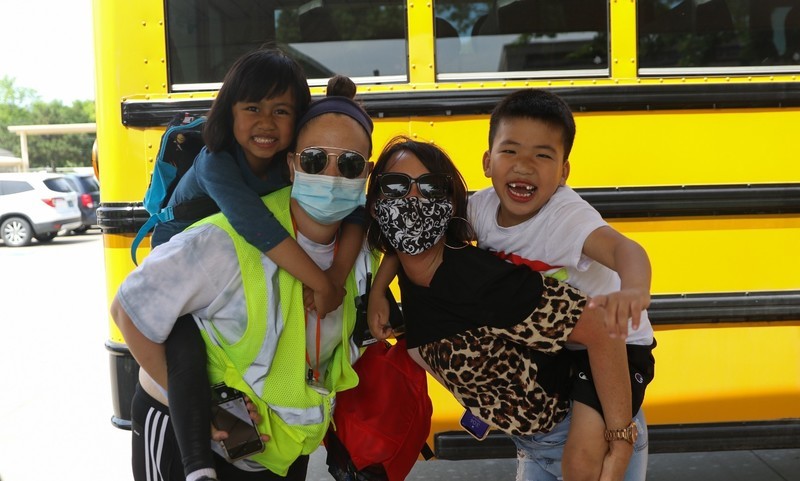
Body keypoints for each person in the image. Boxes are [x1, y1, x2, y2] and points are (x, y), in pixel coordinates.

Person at [111, 79, 376, 481]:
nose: (333, 176)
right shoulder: (224, 238)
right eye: (316, 160)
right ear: (292, 164)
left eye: (351, 165)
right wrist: (204, 410)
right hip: (190, 431)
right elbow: (128, 310)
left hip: (278, 453)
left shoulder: (361, 256)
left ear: (366, 176)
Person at [364, 136, 635, 481]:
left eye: (431, 187)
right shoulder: (410, 273)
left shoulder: (478, 280)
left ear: (450, 205)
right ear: (374, 205)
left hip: (584, 444)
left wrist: (620, 440)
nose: (413, 200)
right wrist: (377, 290)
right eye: (396, 185)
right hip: (533, 444)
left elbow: (601, 326)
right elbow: (402, 247)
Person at [470, 88, 656, 481]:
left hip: (615, 347)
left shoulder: (565, 216)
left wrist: (635, 289)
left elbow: (626, 249)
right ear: (488, 161)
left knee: (582, 456)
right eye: (510, 151)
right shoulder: (479, 209)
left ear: (564, 171)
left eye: (542, 155)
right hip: (557, 349)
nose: (523, 166)